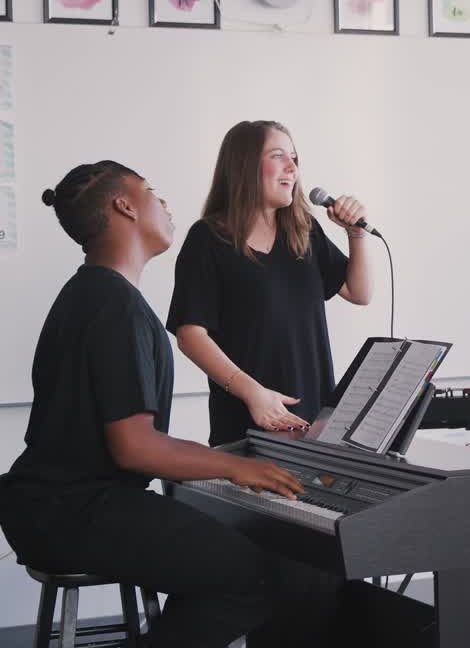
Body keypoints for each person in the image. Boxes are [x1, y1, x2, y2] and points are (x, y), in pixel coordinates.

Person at [0, 161, 339, 647]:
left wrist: (226, 464)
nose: (166, 203)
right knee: (253, 578)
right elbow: (136, 448)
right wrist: (235, 469)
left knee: (216, 566)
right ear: (124, 206)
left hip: (47, 507)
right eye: (153, 193)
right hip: (76, 512)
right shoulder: (116, 306)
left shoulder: (87, 292)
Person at [168, 120, 375, 446]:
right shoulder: (207, 239)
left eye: (294, 158)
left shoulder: (304, 232)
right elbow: (190, 335)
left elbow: (359, 292)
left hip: (314, 425)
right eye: (279, 156)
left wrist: (356, 235)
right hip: (245, 426)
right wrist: (254, 394)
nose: (292, 167)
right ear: (244, 165)